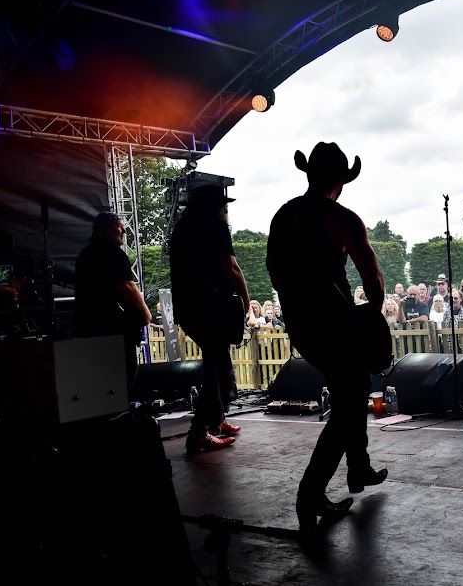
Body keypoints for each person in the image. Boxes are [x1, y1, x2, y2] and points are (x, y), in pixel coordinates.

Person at [266, 142, 387, 530]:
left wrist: (297, 303)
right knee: (349, 403)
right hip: (336, 322)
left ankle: (359, 467)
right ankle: (311, 494)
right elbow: (371, 276)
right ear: (341, 181)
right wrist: (372, 315)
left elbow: (273, 270)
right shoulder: (343, 218)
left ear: (309, 174)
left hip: (302, 322)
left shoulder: (284, 215)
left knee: (351, 389)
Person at [170, 185, 249, 454]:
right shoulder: (216, 228)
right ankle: (200, 433)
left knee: (216, 362)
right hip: (213, 308)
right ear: (216, 207)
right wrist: (245, 299)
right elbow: (231, 268)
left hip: (189, 309)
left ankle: (217, 419)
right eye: (223, 205)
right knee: (216, 370)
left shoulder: (182, 230)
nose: (226, 210)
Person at [74, 212, 152, 390]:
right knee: (122, 382)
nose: (124, 231)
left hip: (88, 330)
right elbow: (127, 288)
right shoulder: (113, 253)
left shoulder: (85, 254)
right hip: (112, 332)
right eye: (119, 228)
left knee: (100, 385)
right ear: (104, 229)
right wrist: (146, 316)